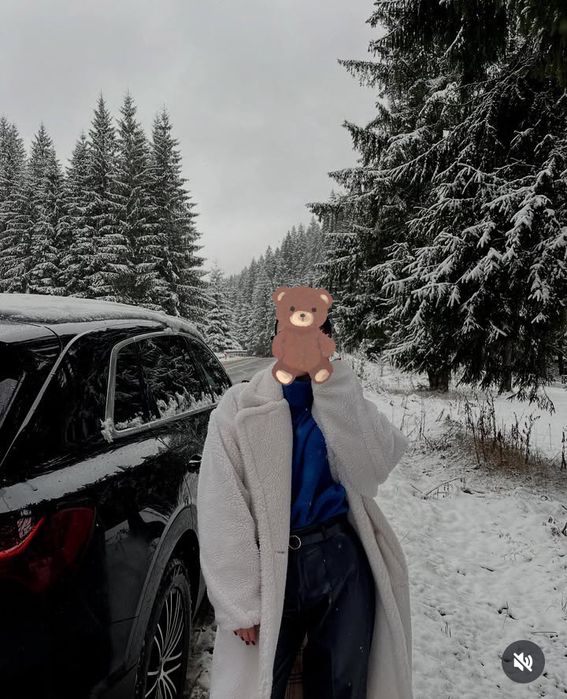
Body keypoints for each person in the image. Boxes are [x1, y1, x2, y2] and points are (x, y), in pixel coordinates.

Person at [197, 318, 413, 699]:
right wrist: (239, 599)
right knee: (262, 686)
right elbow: (222, 501)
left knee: (340, 685)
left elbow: (376, 465)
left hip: (340, 559)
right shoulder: (239, 406)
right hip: (271, 566)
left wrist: (334, 386)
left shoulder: (340, 399)